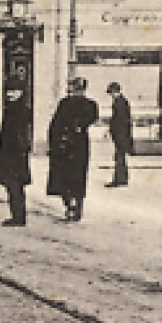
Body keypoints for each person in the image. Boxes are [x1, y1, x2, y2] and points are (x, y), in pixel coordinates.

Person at [46, 76, 99, 221]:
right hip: (73, 144)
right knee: (73, 176)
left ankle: (72, 206)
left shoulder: (77, 104)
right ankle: (73, 205)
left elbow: (56, 125)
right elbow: (56, 124)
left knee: (71, 177)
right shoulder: (74, 104)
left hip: (72, 144)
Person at [0, 78, 33, 226]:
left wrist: (20, 150)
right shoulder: (12, 107)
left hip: (15, 154)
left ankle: (18, 217)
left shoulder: (19, 109)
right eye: (8, 91)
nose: (10, 94)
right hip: (11, 153)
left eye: (13, 91)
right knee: (13, 186)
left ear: (20, 92)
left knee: (15, 186)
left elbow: (20, 134)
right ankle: (17, 215)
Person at [105, 82, 134, 187]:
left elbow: (119, 119)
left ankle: (119, 179)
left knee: (119, 156)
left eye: (111, 92)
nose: (111, 95)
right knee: (120, 156)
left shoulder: (120, 102)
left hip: (121, 133)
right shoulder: (121, 101)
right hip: (121, 133)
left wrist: (113, 129)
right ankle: (122, 178)